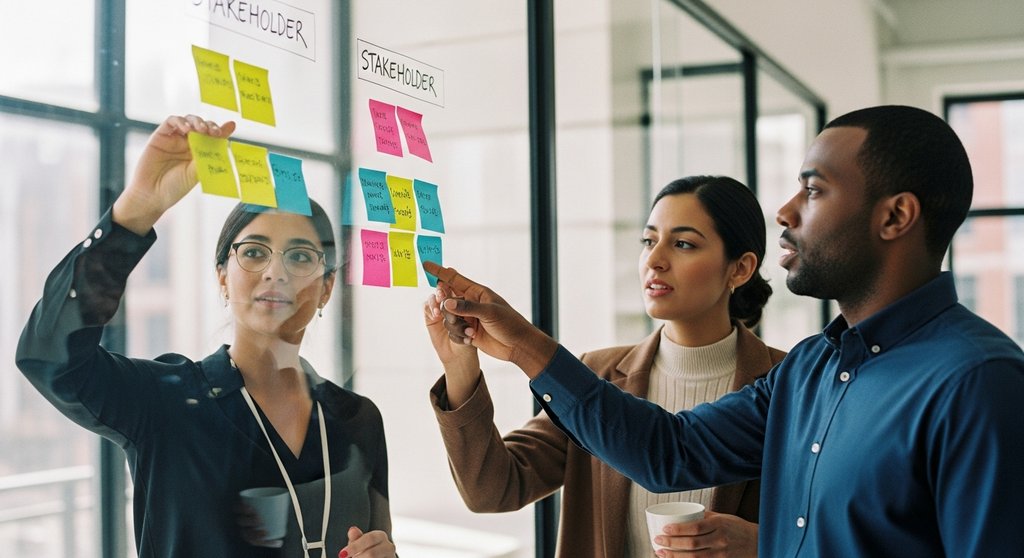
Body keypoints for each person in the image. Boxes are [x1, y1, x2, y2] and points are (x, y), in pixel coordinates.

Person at [424, 105, 1024, 557]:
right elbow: (669, 452)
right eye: (649, 240)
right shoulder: (811, 368)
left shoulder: (978, 382)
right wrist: (524, 343)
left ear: (895, 216)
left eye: (813, 190)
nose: (786, 212)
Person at [17, 115, 396, 558]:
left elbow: (382, 544)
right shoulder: (167, 404)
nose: (275, 271)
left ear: (327, 286)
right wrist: (138, 208)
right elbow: (48, 356)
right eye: (254, 252)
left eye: (300, 256)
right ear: (222, 277)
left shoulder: (358, 420)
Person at [425, 176, 786, 557]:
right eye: (649, 241)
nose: (655, 260)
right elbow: (492, 489)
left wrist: (765, 545)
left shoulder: (790, 385)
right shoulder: (596, 376)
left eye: (683, 244)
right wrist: (460, 367)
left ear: (741, 269)